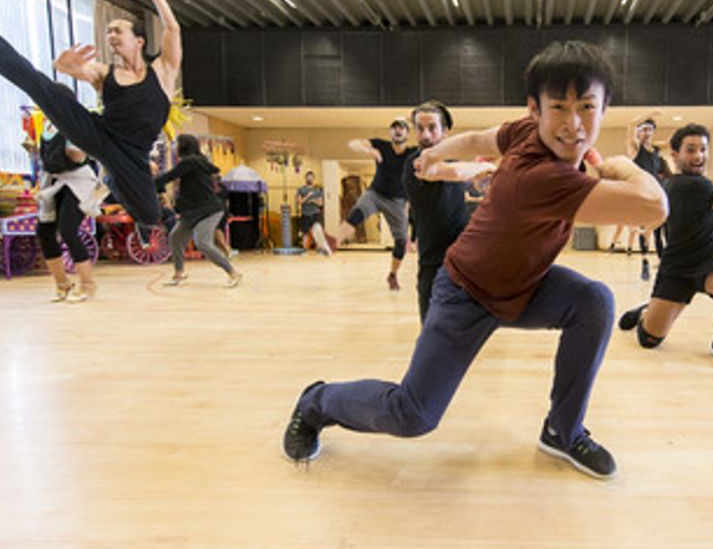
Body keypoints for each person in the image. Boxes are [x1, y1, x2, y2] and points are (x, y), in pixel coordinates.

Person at [282, 41, 668, 479]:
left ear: (605, 108)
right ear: (534, 110)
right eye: (558, 107)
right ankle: (315, 402)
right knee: (413, 414)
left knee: (594, 301)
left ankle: (563, 430)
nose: (574, 123)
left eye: (586, 106)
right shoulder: (543, 178)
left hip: (523, 286)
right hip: (466, 293)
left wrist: (437, 151)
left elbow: (476, 139)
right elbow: (655, 208)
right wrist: (622, 165)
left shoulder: (524, 133)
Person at [0, 0, 178, 235]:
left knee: (150, 215)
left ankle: (108, 182)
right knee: (31, 79)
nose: (111, 35)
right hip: (99, 135)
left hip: (134, 157)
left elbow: (173, 29)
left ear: (139, 40)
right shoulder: (103, 72)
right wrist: (63, 63)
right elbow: (64, 68)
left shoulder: (163, 71)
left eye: (117, 30)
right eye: (108, 31)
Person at [617, 124, 713, 369]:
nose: (699, 156)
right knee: (649, 340)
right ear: (675, 155)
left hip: (711, 264)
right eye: (691, 150)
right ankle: (646, 312)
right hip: (677, 271)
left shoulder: (675, 187)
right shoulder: (694, 185)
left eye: (703, 149)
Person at [402, 100, 495, 322]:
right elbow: (451, 173)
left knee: (462, 330)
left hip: (463, 261)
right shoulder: (415, 162)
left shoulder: (455, 162)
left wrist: (485, 179)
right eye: (420, 128)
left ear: (445, 131)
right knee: (432, 333)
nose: (425, 135)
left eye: (432, 127)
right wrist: (484, 167)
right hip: (434, 264)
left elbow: (473, 184)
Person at [332, 119, 413, 289]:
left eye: (402, 128)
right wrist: (368, 150)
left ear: (407, 134)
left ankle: (393, 275)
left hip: (397, 202)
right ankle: (334, 242)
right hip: (375, 193)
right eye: (394, 128)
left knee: (400, 242)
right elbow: (353, 143)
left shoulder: (412, 154)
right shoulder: (380, 145)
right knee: (357, 213)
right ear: (390, 133)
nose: (398, 131)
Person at [153, 134, 242, 287]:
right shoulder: (197, 161)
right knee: (175, 237)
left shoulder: (190, 161)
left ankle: (233, 272)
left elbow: (168, 176)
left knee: (203, 243)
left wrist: (144, 184)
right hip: (193, 211)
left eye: (177, 144)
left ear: (184, 146)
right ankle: (179, 273)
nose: (174, 147)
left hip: (209, 210)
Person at [34, 122, 102, 302]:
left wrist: (77, 150)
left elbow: (79, 157)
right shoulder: (46, 127)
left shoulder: (73, 123)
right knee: (44, 231)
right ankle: (62, 283)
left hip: (78, 179)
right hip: (55, 180)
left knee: (68, 230)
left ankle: (87, 284)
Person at [626, 114, 670, 277]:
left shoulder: (656, 150)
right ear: (639, 132)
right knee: (645, 229)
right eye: (643, 129)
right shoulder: (635, 148)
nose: (647, 132)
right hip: (641, 192)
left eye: (650, 129)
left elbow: (670, 144)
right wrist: (650, 113)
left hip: (657, 192)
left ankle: (662, 260)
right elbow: (631, 123)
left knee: (661, 229)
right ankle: (644, 260)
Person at [296, 172, 331, 256]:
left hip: (315, 213)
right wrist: (308, 196)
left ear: (314, 179)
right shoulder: (301, 189)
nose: (309, 179)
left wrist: (313, 201)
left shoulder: (317, 190)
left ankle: (320, 249)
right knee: (305, 233)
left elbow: (320, 203)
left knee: (317, 230)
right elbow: (299, 201)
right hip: (305, 214)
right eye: (308, 177)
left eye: (311, 177)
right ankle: (304, 249)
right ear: (305, 178)